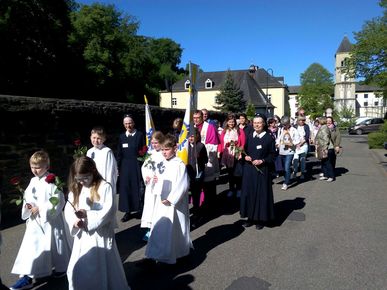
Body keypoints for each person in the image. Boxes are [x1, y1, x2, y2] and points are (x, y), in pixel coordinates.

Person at [64, 156, 130, 290]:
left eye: (85, 178)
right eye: (78, 178)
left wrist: (87, 215)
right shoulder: (76, 188)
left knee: (100, 266)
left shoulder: (104, 187)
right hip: (82, 236)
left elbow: (108, 211)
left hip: (100, 235)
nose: (82, 182)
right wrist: (75, 221)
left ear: (93, 171)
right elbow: (69, 209)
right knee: (76, 267)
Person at [10, 151, 71, 290]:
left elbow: (59, 200)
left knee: (55, 244)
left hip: (50, 220)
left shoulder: (52, 179)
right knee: (32, 248)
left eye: (38, 167)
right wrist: (28, 205)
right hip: (35, 222)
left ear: (47, 166)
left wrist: (42, 208)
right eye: (32, 167)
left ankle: (61, 268)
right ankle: (27, 276)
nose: (35, 170)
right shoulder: (33, 180)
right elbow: (28, 196)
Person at [144, 134, 192, 264]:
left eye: (167, 149)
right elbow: (158, 178)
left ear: (175, 148)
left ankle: (177, 254)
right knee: (159, 229)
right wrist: (155, 181)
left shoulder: (179, 165)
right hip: (161, 202)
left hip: (173, 204)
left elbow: (182, 184)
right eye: (163, 150)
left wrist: (171, 199)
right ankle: (154, 255)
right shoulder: (161, 163)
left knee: (173, 230)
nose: (164, 152)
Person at [240, 115, 276, 230]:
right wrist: (245, 157)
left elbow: (272, 155)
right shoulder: (250, 136)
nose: (257, 125)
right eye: (255, 123)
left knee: (261, 194)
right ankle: (250, 217)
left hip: (262, 170)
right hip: (249, 170)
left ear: (264, 124)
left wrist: (263, 160)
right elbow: (244, 151)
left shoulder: (269, 138)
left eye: (259, 123)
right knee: (249, 193)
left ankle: (260, 219)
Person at [117, 115, 146, 222]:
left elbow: (144, 150)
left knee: (138, 188)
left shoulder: (139, 135)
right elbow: (119, 154)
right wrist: (118, 167)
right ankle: (127, 212)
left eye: (130, 123)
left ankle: (141, 210)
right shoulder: (121, 137)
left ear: (133, 123)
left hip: (136, 166)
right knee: (126, 189)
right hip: (125, 167)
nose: (128, 125)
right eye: (126, 123)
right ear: (123, 125)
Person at [140, 131, 165, 241]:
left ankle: (159, 229)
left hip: (159, 186)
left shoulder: (164, 154)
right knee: (150, 206)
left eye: (156, 143)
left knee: (158, 206)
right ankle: (149, 229)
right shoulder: (150, 154)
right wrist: (147, 176)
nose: (154, 145)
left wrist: (159, 177)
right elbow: (144, 167)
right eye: (153, 143)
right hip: (150, 186)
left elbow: (166, 169)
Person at [193, 110, 220, 209]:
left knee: (208, 185)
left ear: (202, 117)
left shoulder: (209, 127)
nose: (196, 120)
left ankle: (210, 204)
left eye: (198, 118)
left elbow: (213, 145)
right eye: (194, 118)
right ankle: (199, 204)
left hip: (207, 159)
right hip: (195, 161)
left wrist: (200, 149)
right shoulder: (191, 127)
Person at [218, 113, 246, 198]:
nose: (231, 123)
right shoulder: (224, 131)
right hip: (227, 153)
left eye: (233, 122)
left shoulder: (239, 131)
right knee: (230, 173)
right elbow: (221, 142)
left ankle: (239, 189)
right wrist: (219, 151)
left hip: (237, 152)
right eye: (229, 122)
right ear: (227, 122)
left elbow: (243, 142)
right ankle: (231, 189)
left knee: (237, 173)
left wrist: (240, 152)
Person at [87, 126, 118, 194]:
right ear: (90, 137)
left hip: (103, 183)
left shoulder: (107, 152)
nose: (95, 140)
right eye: (94, 138)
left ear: (104, 139)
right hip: (92, 183)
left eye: (99, 138)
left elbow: (110, 171)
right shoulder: (89, 152)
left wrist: (108, 186)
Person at [187, 128, 208, 222]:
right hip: (187, 173)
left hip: (197, 174)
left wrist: (199, 158)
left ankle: (197, 212)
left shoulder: (201, 146)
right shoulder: (185, 146)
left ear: (197, 136)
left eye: (192, 136)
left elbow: (206, 160)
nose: (191, 138)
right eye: (189, 136)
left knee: (196, 194)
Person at [276, 116, 300, 190]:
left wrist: (292, 144)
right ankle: (287, 177)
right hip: (282, 151)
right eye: (283, 125)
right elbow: (278, 139)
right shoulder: (281, 130)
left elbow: (297, 140)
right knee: (283, 168)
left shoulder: (294, 130)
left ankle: (285, 183)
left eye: (285, 124)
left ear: (289, 123)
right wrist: (277, 144)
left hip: (290, 151)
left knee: (287, 167)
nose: (284, 126)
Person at [315, 116, 334, 182]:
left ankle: (331, 176)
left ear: (321, 121)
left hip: (327, 148)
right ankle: (326, 175)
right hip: (323, 147)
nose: (318, 122)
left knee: (327, 162)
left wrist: (325, 148)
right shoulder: (323, 127)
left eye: (319, 120)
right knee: (324, 162)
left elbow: (326, 139)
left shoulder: (324, 128)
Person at [293, 115, 310, 180]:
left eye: (303, 120)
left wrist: (301, 144)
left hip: (304, 145)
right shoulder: (294, 126)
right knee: (295, 159)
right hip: (296, 145)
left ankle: (302, 173)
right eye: (300, 120)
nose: (302, 121)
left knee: (302, 159)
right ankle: (295, 171)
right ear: (298, 120)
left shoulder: (306, 126)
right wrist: (296, 144)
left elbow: (307, 136)